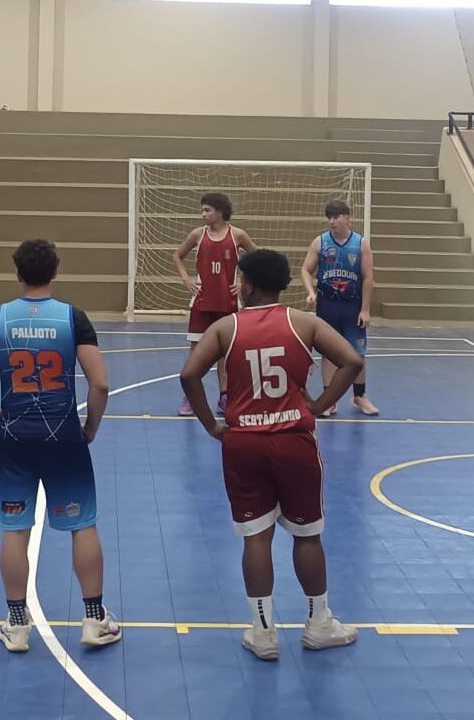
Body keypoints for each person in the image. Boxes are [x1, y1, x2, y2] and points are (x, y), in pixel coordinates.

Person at [179, 248, 363, 661]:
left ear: (247, 285)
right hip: (294, 440)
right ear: (282, 285)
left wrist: (211, 425)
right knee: (307, 534)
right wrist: (319, 405)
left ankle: (263, 632)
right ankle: (319, 623)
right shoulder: (304, 323)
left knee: (256, 536)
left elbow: (189, 374)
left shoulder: (226, 327)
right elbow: (351, 361)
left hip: (244, 442)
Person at [0, 238, 122, 652]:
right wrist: (90, 427)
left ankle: (17, 624)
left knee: (15, 528)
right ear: (55, 272)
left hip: (14, 437)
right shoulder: (72, 318)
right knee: (81, 524)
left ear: (17, 274)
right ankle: (94, 620)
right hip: (63, 436)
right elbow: (100, 383)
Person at [172, 192, 258, 416]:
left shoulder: (237, 234)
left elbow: (258, 258)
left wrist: (244, 282)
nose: (203, 214)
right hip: (202, 301)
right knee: (196, 351)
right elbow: (177, 255)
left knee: (226, 353)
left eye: (207, 210)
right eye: (202, 210)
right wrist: (186, 279)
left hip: (228, 302)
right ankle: (190, 397)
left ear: (220, 211)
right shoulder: (197, 234)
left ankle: (225, 397)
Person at [301, 199, 379, 416]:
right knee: (328, 352)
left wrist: (365, 309)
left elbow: (368, 278)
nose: (332, 221)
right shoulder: (320, 242)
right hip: (328, 305)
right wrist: (310, 291)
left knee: (358, 353)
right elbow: (306, 270)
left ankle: (359, 396)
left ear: (347, 217)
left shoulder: (361, 243)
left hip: (352, 305)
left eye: (336, 217)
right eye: (329, 217)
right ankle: (329, 400)